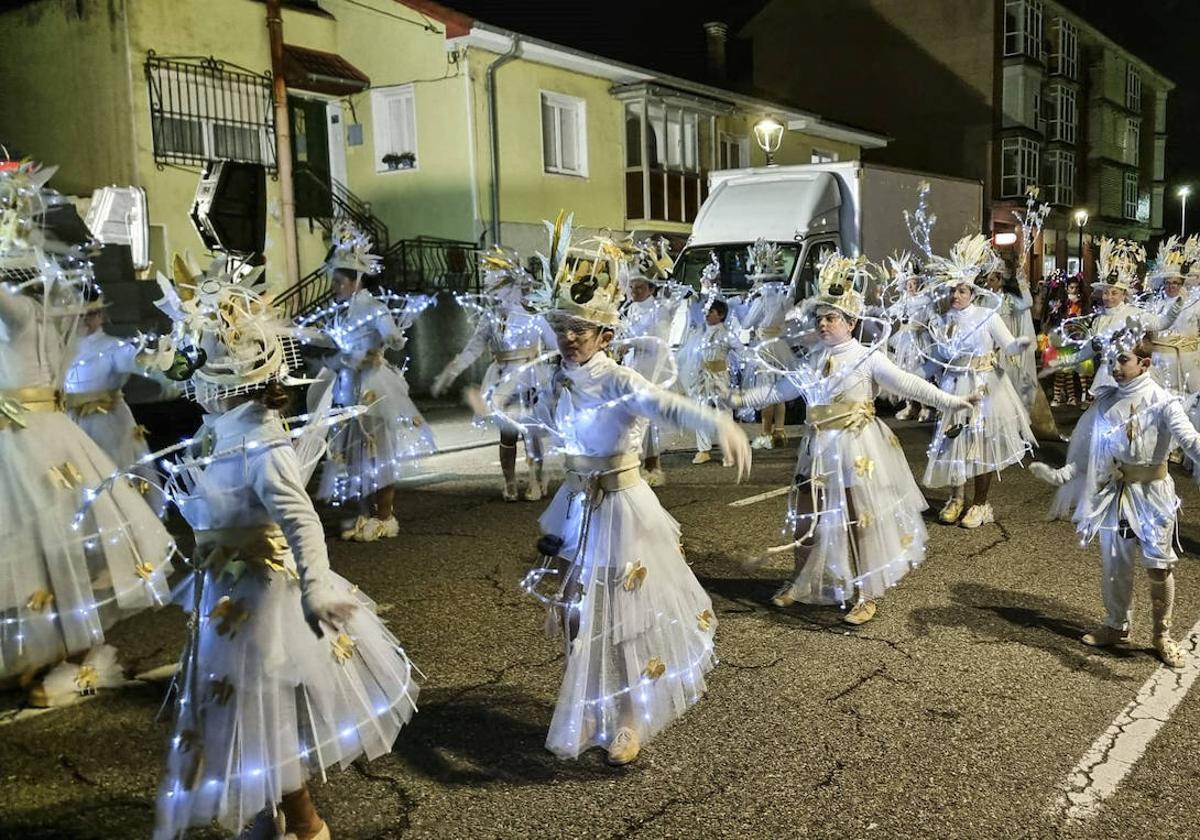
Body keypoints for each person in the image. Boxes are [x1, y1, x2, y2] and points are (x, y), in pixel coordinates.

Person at [151, 259, 419, 840]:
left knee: (256, 711)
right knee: (230, 712)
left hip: (260, 599)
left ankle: (305, 824)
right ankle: (262, 816)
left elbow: (302, 523)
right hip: (223, 598)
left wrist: (317, 585)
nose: (195, 386)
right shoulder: (218, 430)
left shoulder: (261, 443)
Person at [502, 225, 751, 767]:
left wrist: (716, 423)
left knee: (621, 621)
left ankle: (632, 719)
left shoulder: (617, 379)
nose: (571, 337)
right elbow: (543, 423)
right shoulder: (555, 377)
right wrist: (502, 410)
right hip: (575, 505)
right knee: (572, 613)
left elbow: (664, 404)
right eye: (564, 327)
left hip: (620, 507)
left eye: (583, 330)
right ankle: (590, 705)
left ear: (605, 335)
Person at [0, 160, 174, 706]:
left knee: (50, 544)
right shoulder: (42, 316)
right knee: (45, 547)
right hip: (37, 432)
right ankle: (44, 653)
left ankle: (69, 655)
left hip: (31, 439)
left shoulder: (26, 313)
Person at [732, 253, 976, 624]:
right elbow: (778, 391)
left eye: (832, 318)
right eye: (820, 318)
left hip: (855, 448)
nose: (824, 324)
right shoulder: (812, 360)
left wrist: (952, 401)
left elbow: (908, 383)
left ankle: (865, 593)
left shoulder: (866, 358)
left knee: (856, 522)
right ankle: (799, 581)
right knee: (804, 519)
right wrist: (734, 400)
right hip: (816, 449)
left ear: (851, 321)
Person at [1029, 333, 1200, 669]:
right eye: (1111, 361)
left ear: (1144, 363)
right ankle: (1116, 624)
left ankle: (1161, 635)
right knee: (1114, 565)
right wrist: (1062, 475)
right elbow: (1090, 450)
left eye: (1123, 360)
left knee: (1158, 566)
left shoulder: (1165, 402)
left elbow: (1192, 442)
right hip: (1116, 497)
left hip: (1153, 498)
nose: (1115, 367)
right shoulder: (1105, 402)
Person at [306, 224, 437, 542]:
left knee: (379, 453)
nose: (335, 287)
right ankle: (366, 513)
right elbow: (331, 339)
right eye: (334, 281)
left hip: (374, 387)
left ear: (356, 281)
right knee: (354, 455)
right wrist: (298, 333)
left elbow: (393, 339)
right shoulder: (343, 313)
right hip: (349, 387)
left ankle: (385, 516)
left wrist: (391, 338)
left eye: (339, 282)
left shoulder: (374, 307)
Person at [923, 234, 1036, 529]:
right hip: (954, 385)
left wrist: (1019, 345)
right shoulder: (943, 320)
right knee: (953, 440)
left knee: (981, 444)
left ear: (972, 291)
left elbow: (1008, 345)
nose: (956, 296)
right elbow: (937, 355)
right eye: (952, 291)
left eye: (961, 290)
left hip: (984, 386)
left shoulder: (988, 316)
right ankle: (956, 497)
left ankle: (980, 503)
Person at [432, 245, 556, 501]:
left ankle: (534, 480)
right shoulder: (490, 318)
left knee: (531, 431)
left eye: (498, 287)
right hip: (501, 379)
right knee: (507, 433)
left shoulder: (534, 315)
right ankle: (509, 482)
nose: (494, 294)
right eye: (492, 288)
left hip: (530, 376)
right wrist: (452, 370)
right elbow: (474, 347)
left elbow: (555, 345)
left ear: (512, 285)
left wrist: (569, 369)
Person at [64, 287, 174, 515]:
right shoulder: (64, 348)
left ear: (102, 316)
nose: (85, 320)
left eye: (91, 314)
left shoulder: (113, 347)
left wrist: (164, 376)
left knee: (112, 472)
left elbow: (141, 363)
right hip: (72, 422)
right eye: (79, 315)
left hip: (107, 424)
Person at [614, 238, 686, 486]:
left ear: (650, 287)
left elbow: (655, 337)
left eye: (640, 287)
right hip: (635, 366)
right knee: (633, 418)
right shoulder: (631, 309)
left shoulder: (660, 308)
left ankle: (654, 465)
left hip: (654, 368)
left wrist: (661, 261)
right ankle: (635, 464)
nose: (634, 291)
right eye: (632, 287)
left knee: (650, 418)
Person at [736, 238, 796, 449]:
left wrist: (741, 307)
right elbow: (789, 320)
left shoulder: (761, 300)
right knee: (780, 391)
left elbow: (747, 323)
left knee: (765, 392)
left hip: (764, 347)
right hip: (781, 347)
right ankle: (780, 431)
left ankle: (765, 433)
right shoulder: (784, 298)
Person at [687, 297, 743, 465]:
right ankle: (703, 450)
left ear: (721, 315)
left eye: (711, 312)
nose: (707, 315)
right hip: (703, 377)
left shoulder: (726, 334)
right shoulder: (702, 331)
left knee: (723, 414)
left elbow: (741, 350)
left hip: (720, 377)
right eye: (707, 311)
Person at [883, 253, 938, 423]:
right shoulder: (902, 302)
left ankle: (926, 406)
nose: (911, 287)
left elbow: (933, 316)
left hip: (920, 340)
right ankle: (910, 405)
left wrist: (937, 324)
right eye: (908, 284)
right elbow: (888, 312)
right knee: (905, 372)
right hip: (904, 341)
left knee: (921, 374)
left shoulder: (925, 301)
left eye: (914, 283)